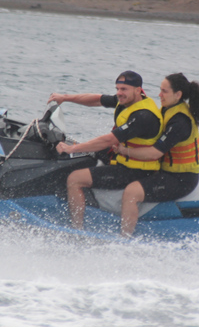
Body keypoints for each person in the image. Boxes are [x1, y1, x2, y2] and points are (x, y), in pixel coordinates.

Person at [49, 70, 163, 230]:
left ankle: (76, 230)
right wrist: (65, 98)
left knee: (75, 179)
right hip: (121, 157)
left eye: (123, 90)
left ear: (138, 90)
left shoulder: (143, 116)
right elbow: (97, 99)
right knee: (82, 155)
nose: (119, 93)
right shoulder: (128, 100)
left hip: (137, 170)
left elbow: (109, 140)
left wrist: (72, 148)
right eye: (117, 89)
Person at [113, 73, 199, 237]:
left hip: (181, 179)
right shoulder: (169, 109)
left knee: (131, 192)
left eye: (164, 91)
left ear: (177, 95)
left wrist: (124, 151)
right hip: (167, 171)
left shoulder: (180, 121)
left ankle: (124, 239)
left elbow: (154, 153)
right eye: (160, 90)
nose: (159, 95)